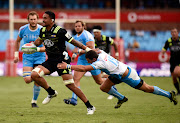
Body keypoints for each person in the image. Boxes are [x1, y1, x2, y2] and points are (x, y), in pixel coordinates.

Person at [57, 50, 178, 108]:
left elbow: (83, 68)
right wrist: (81, 50)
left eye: (88, 60)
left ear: (93, 60)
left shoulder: (99, 63)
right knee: (103, 87)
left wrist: (67, 66)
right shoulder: (101, 53)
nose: (87, 61)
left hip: (129, 76)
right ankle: (122, 98)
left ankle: (169, 94)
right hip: (117, 74)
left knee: (147, 88)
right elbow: (95, 50)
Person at [30, 11, 95, 115]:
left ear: (52, 20)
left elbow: (73, 41)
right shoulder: (42, 30)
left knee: (70, 85)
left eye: (45, 18)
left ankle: (90, 106)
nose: (43, 20)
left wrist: (86, 49)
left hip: (62, 61)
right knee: (34, 74)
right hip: (50, 61)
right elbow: (38, 41)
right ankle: (51, 92)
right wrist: (31, 45)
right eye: (43, 18)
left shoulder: (60, 31)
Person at [63, 20, 107, 106]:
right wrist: (75, 55)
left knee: (99, 81)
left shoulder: (87, 35)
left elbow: (90, 49)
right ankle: (74, 99)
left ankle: (111, 85)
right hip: (82, 60)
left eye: (79, 26)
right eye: (76, 26)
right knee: (76, 79)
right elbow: (76, 49)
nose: (77, 28)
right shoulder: (75, 37)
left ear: (83, 26)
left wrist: (78, 51)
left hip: (92, 60)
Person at [14, 11, 46, 108]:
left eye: (34, 19)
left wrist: (37, 49)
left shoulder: (42, 29)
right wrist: (16, 55)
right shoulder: (23, 29)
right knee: (27, 80)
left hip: (40, 56)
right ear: (28, 20)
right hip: (27, 56)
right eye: (31, 19)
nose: (33, 21)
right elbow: (17, 41)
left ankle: (34, 101)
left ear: (37, 19)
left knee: (37, 80)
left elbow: (47, 47)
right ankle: (39, 79)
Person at [93, 25, 119, 99]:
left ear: (100, 32)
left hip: (107, 59)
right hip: (99, 60)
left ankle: (113, 90)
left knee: (105, 75)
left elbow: (115, 44)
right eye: (94, 32)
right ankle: (113, 88)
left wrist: (117, 54)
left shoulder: (107, 38)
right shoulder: (93, 40)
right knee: (101, 77)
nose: (96, 34)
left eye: (97, 32)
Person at [161, 28, 180, 95]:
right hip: (172, 61)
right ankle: (179, 91)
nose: (174, 33)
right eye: (172, 32)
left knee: (177, 72)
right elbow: (164, 49)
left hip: (179, 61)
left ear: (178, 33)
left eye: (175, 32)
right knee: (174, 78)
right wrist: (163, 51)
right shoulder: (169, 41)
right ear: (171, 34)